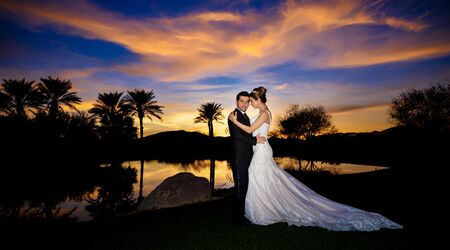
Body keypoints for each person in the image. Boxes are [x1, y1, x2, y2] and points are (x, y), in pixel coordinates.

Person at [228, 86, 403, 231]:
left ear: (259, 100)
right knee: (260, 179)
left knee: (262, 178)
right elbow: (249, 131)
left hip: (262, 151)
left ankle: (263, 211)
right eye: (247, 102)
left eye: (251, 101)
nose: (250, 104)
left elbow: (250, 131)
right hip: (258, 150)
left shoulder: (265, 113)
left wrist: (234, 121)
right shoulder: (261, 113)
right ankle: (257, 210)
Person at [228, 91, 266, 225]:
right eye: (241, 101)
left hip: (246, 157)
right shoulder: (234, 115)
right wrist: (255, 140)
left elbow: (246, 132)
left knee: (244, 187)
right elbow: (239, 136)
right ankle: (237, 219)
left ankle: (241, 215)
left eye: (246, 101)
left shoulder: (245, 116)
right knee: (240, 188)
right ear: (236, 102)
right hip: (238, 158)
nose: (244, 104)